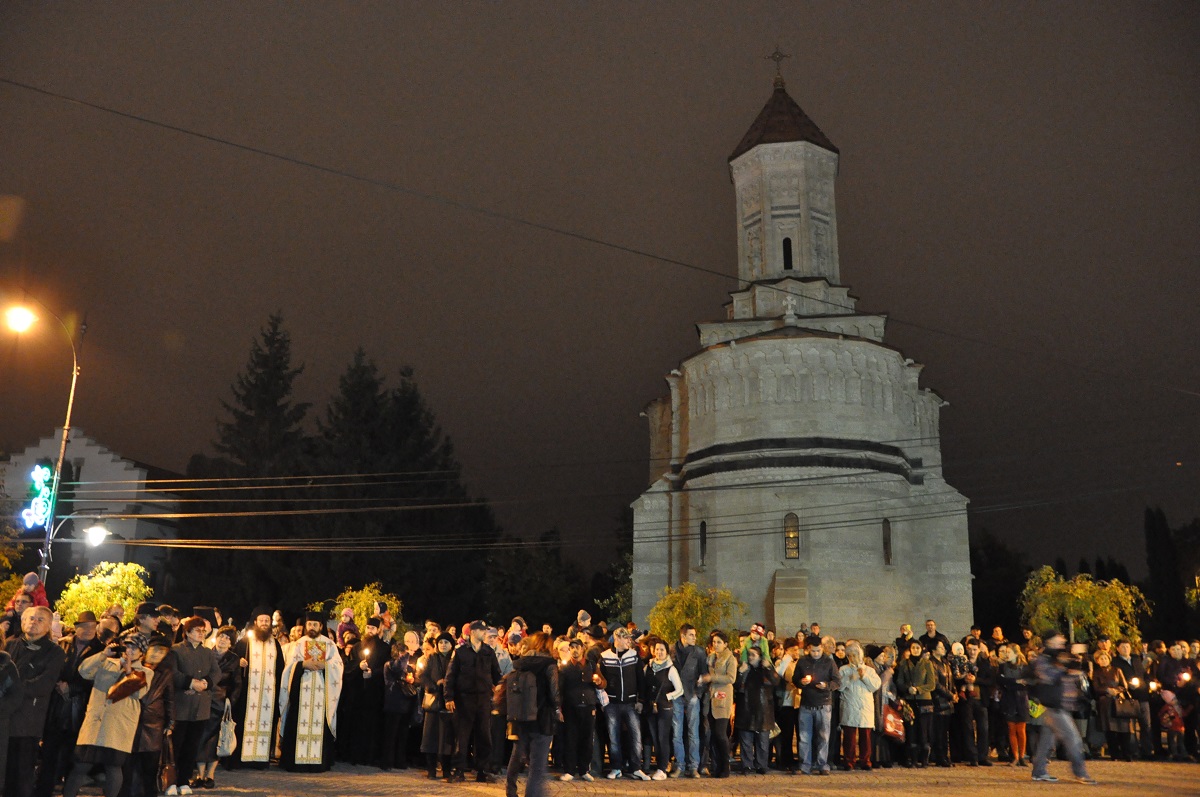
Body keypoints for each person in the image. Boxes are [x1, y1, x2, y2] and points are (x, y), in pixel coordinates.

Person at [62, 633, 151, 797]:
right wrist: (103, 654)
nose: (129, 650)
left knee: (113, 767)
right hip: (94, 723)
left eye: (134, 648)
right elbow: (84, 671)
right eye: (127, 646)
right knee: (80, 766)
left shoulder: (144, 672)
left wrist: (128, 668)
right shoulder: (107, 663)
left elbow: (137, 691)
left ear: (142, 652)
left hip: (117, 726)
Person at [33, 610, 104, 797]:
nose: (89, 630)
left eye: (93, 627)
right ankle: (43, 790)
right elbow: (51, 668)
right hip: (56, 705)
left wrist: (71, 688)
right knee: (48, 752)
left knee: (70, 754)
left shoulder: (100, 649)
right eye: (85, 626)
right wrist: (59, 685)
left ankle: (65, 790)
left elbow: (97, 677)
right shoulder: (64, 645)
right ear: (77, 628)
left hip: (80, 707)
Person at [6, 605, 66, 797]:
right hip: (4, 718)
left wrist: (10, 687)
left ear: (49, 626)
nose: (34, 622)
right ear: (22, 621)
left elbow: (43, 685)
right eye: (30, 618)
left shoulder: (54, 652)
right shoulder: (9, 645)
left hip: (27, 722)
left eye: (40, 620)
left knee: (21, 776)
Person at [278, 611, 344, 772]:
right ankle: (295, 762)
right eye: (309, 624)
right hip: (301, 693)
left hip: (322, 694)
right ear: (306, 626)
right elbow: (288, 668)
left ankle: (317, 763)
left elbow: (339, 666)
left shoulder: (329, 645)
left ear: (321, 626)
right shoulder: (298, 644)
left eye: (315, 624)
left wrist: (326, 666)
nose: (312, 627)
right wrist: (302, 665)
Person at [1029, 633, 1097, 784]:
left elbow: (1073, 676)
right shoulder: (1043, 659)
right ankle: (1081, 773)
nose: (1062, 644)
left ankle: (1039, 771)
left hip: (1062, 706)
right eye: (1059, 642)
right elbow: (1048, 676)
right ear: (1049, 642)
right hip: (1055, 707)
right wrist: (1066, 669)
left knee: (1046, 742)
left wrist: (1075, 665)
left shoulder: (1060, 658)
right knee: (1074, 739)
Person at [502, 631, 561, 797]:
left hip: (522, 717)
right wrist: (558, 709)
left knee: (516, 754)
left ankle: (511, 790)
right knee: (537, 766)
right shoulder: (549, 664)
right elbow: (554, 692)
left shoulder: (521, 663)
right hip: (542, 718)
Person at [444, 619, 501, 783]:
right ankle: (459, 770)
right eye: (482, 630)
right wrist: (449, 697)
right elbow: (451, 676)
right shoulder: (461, 652)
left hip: (483, 700)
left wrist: (502, 690)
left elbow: (497, 675)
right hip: (464, 700)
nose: (485, 633)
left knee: (484, 736)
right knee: (462, 737)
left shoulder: (488, 652)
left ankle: (482, 770)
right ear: (473, 632)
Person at [170, 616, 221, 793]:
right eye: (198, 630)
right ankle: (170, 781)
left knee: (192, 747)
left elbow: (216, 672)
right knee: (176, 746)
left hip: (200, 708)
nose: (201, 634)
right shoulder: (176, 650)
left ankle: (184, 781)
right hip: (181, 706)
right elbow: (173, 673)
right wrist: (190, 683)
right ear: (188, 632)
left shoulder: (207, 652)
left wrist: (204, 684)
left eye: (203, 631)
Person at [229, 607, 283, 768]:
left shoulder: (276, 644)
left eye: (267, 621)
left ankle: (260, 760)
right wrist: (238, 663)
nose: (265, 623)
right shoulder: (245, 642)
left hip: (268, 696)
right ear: (255, 623)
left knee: (266, 725)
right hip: (246, 695)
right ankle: (239, 759)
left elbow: (281, 669)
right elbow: (231, 660)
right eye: (262, 621)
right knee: (243, 724)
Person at [126, 633, 175, 797]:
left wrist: (170, 723)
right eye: (155, 649)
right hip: (130, 721)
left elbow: (169, 699)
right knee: (128, 769)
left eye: (162, 651)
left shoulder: (165, 672)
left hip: (153, 724)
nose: (157, 653)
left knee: (150, 769)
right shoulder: (133, 666)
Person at [194, 626, 242, 788]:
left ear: (232, 643)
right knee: (200, 737)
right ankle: (200, 774)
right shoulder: (206, 653)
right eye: (221, 636)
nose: (223, 640)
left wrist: (230, 702)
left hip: (220, 702)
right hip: (202, 699)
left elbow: (237, 684)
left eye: (228, 638)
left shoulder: (234, 659)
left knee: (215, 739)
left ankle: (210, 774)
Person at [793, 635, 840, 775]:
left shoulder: (829, 662)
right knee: (804, 737)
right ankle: (805, 765)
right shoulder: (802, 661)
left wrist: (827, 686)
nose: (816, 654)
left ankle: (822, 764)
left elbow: (837, 681)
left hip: (824, 704)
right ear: (808, 649)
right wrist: (801, 682)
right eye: (813, 651)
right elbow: (795, 679)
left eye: (818, 651)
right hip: (806, 704)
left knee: (823, 736)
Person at [557, 637, 599, 782]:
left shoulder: (591, 665)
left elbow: (602, 683)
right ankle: (569, 770)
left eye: (577, 647)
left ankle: (584, 770)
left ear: (582, 649)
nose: (574, 650)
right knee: (570, 739)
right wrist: (559, 709)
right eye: (572, 647)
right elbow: (559, 690)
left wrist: (599, 681)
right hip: (571, 707)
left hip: (588, 707)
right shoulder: (565, 668)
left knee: (587, 740)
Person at [641, 638, 683, 779]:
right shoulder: (649, 666)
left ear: (667, 652)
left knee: (662, 738)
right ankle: (660, 767)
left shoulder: (671, 669)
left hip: (664, 709)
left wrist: (668, 697)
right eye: (657, 649)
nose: (659, 652)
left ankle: (662, 768)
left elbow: (680, 690)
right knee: (654, 738)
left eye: (662, 650)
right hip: (651, 708)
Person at [351, 617, 389, 765]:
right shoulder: (357, 647)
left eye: (373, 628)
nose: (370, 631)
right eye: (368, 628)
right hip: (359, 692)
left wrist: (374, 672)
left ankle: (371, 756)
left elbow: (386, 667)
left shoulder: (384, 648)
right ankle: (356, 755)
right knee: (357, 724)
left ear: (379, 630)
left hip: (375, 693)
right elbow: (350, 666)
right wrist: (358, 667)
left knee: (373, 725)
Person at [669, 623, 706, 778]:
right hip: (676, 695)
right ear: (682, 636)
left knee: (693, 733)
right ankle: (679, 765)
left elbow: (704, 674)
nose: (694, 637)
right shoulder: (671, 650)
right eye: (691, 635)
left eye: (694, 635)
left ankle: (694, 766)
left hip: (691, 695)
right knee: (677, 733)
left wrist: (698, 693)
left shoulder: (699, 652)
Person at [837, 640, 881, 771]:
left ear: (860, 656)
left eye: (855, 655)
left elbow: (875, 686)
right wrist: (850, 678)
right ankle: (849, 760)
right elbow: (839, 686)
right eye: (849, 655)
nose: (852, 658)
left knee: (865, 736)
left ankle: (865, 760)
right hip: (849, 704)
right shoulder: (843, 669)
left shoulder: (869, 670)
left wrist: (864, 676)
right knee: (849, 736)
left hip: (864, 706)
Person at [734, 645, 778, 775]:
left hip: (763, 710)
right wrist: (740, 672)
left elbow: (776, 681)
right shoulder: (744, 669)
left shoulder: (766, 669)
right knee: (746, 741)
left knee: (763, 742)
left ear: (760, 657)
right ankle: (747, 765)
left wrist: (768, 668)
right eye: (749, 655)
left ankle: (761, 765)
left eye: (753, 655)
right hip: (745, 709)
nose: (750, 657)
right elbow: (735, 685)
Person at [419, 633, 455, 779]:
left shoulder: (455, 659)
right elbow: (423, 676)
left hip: (449, 704)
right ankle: (431, 769)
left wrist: (448, 685)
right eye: (441, 642)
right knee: (430, 738)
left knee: (447, 739)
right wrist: (434, 685)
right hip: (433, 703)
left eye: (446, 642)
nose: (443, 645)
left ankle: (446, 769)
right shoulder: (432, 658)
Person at [895, 639, 935, 767]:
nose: (915, 650)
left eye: (918, 648)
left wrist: (918, 689)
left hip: (924, 700)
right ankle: (912, 759)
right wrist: (907, 689)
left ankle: (924, 760)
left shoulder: (927, 663)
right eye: (913, 648)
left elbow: (931, 684)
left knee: (924, 730)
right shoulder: (904, 664)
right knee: (911, 729)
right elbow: (899, 682)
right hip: (910, 700)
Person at [381, 639, 419, 771]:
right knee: (391, 734)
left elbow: (412, 679)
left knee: (403, 734)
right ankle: (387, 761)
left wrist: (412, 679)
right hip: (393, 702)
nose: (406, 655)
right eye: (403, 653)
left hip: (405, 703)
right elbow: (397, 669)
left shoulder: (407, 666)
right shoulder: (390, 664)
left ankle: (400, 760)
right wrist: (405, 656)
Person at [958, 638, 994, 766]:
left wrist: (976, 680)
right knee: (968, 728)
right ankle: (972, 756)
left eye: (975, 649)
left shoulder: (984, 663)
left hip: (981, 699)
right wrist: (964, 679)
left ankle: (982, 756)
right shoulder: (962, 662)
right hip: (966, 699)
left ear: (979, 649)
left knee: (983, 728)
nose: (972, 652)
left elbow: (990, 681)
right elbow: (956, 678)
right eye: (970, 649)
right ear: (966, 649)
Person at [1091, 649, 1132, 760]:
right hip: (1105, 703)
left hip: (1119, 701)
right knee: (1110, 730)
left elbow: (1124, 685)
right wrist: (1107, 690)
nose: (1103, 660)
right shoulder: (1096, 672)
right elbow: (1096, 688)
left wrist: (1117, 690)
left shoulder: (1117, 670)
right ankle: (1115, 754)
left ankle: (1127, 753)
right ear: (1097, 661)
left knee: (1124, 729)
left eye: (1105, 658)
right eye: (1101, 659)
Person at [997, 643, 1030, 766]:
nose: (1006, 654)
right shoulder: (1003, 666)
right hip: (1009, 699)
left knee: (1021, 730)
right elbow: (1001, 681)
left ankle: (1022, 756)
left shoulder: (1024, 667)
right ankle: (1015, 757)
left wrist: (1011, 683)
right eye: (1005, 652)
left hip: (1021, 700)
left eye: (1009, 652)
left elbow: (1027, 682)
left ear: (1016, 653)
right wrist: (1015, 681)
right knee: (1011, 729)